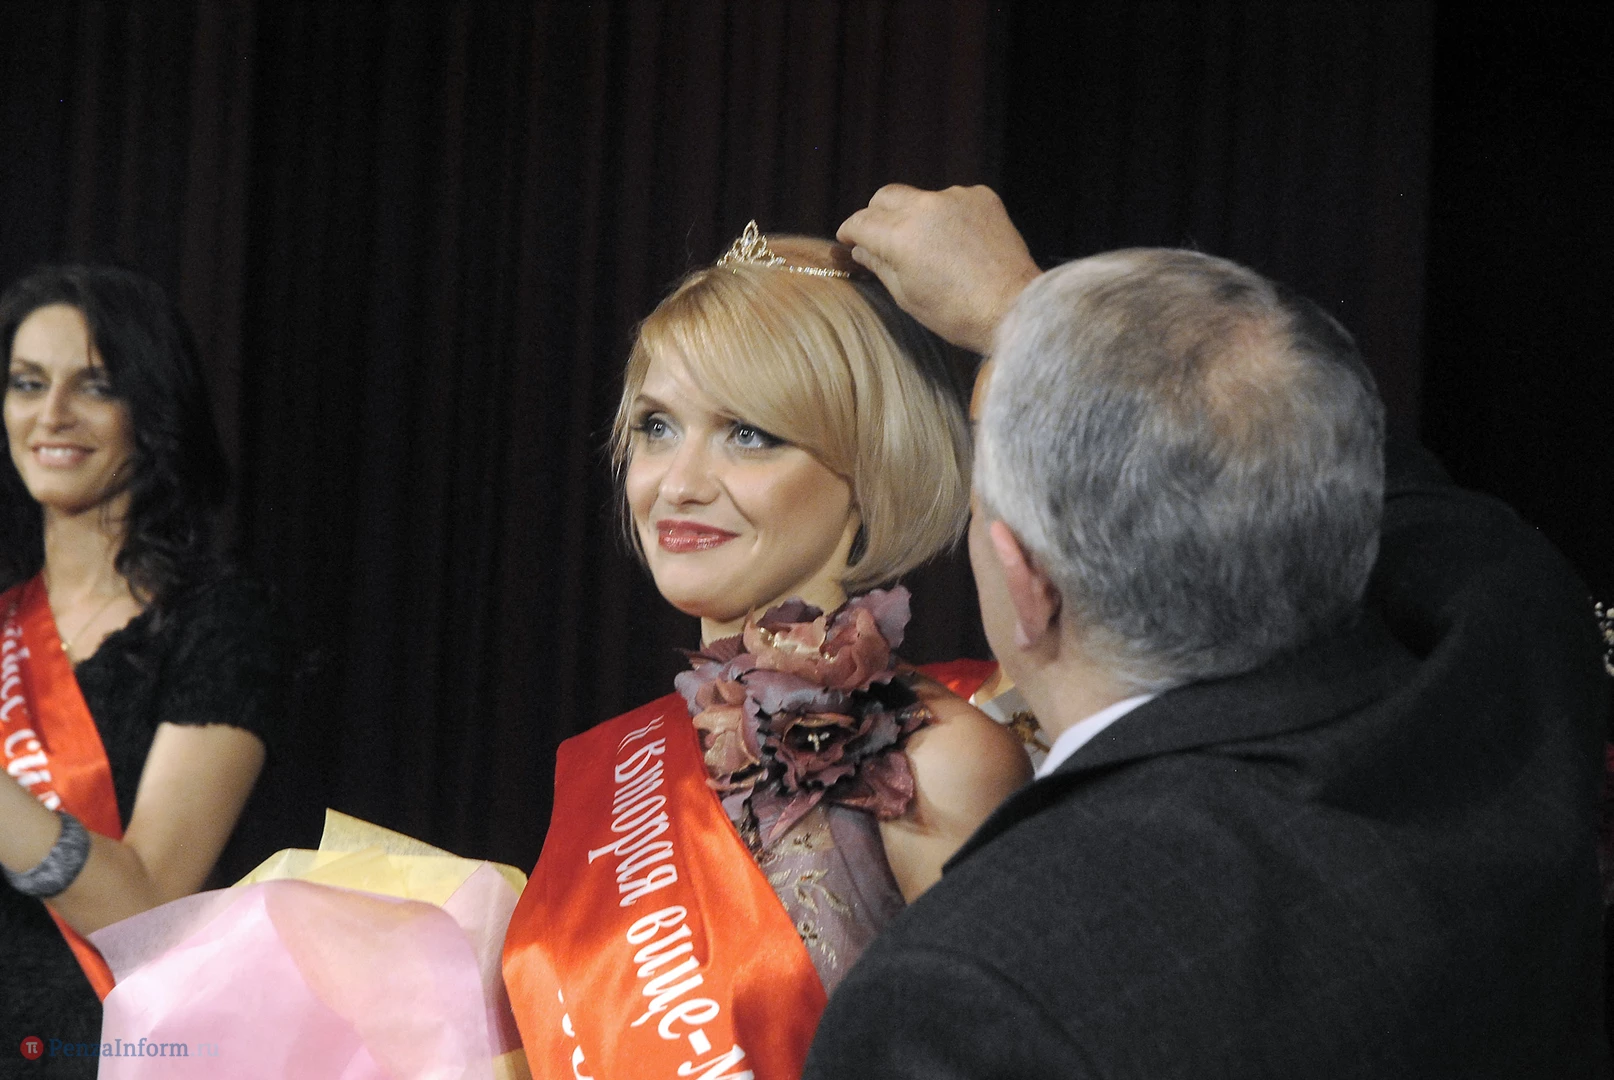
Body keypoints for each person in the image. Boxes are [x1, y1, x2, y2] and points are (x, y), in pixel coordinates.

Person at [803, 186, 1609, 1077]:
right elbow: (1402, 503)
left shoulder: (963, 1000)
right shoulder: (1510, 673)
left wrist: (1028, 318)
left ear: (1029, 586)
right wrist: (1020, 307)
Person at [502, 224, 1031, 1080]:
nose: (678, 482)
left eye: (748, 434)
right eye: (658, 426)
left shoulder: (937, 758)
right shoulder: (629, 757)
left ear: (870, 469)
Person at [0, 266, 283, 1071]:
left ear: (151, 408)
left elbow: (148, 905)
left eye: (94, 386)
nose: (52, 414)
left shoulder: (217, 622)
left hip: (110, 1054)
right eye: (27, 383)